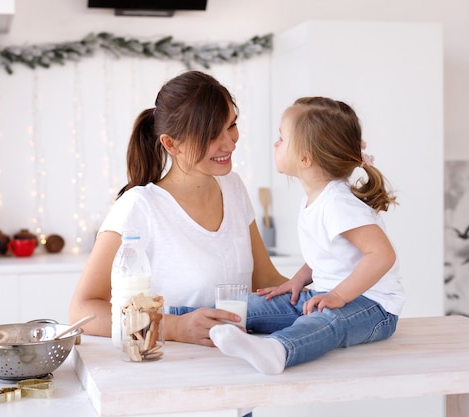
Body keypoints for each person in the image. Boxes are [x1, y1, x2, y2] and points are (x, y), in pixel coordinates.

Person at [68, 70, 289, 346]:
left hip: (236, 362)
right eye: (211, 134)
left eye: (231, 124)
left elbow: (265, 280)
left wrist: (328, 292)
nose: (230, 141)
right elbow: (82, 309)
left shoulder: (233, 188)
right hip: (169, 369)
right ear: (171, 144)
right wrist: (174, 328)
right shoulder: (139, 207)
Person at [210, 96, 406, 374]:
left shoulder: (338, 203)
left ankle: (278, 350)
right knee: (249, 307)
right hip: (326, 295)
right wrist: (297, 281)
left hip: (374, 307)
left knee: (326, 322)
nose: (276, 144)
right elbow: (326, 254)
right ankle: (178, 318)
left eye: (281, 138)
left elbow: (382, 255)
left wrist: (339, 295)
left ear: (305, 157)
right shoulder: (317, 199)